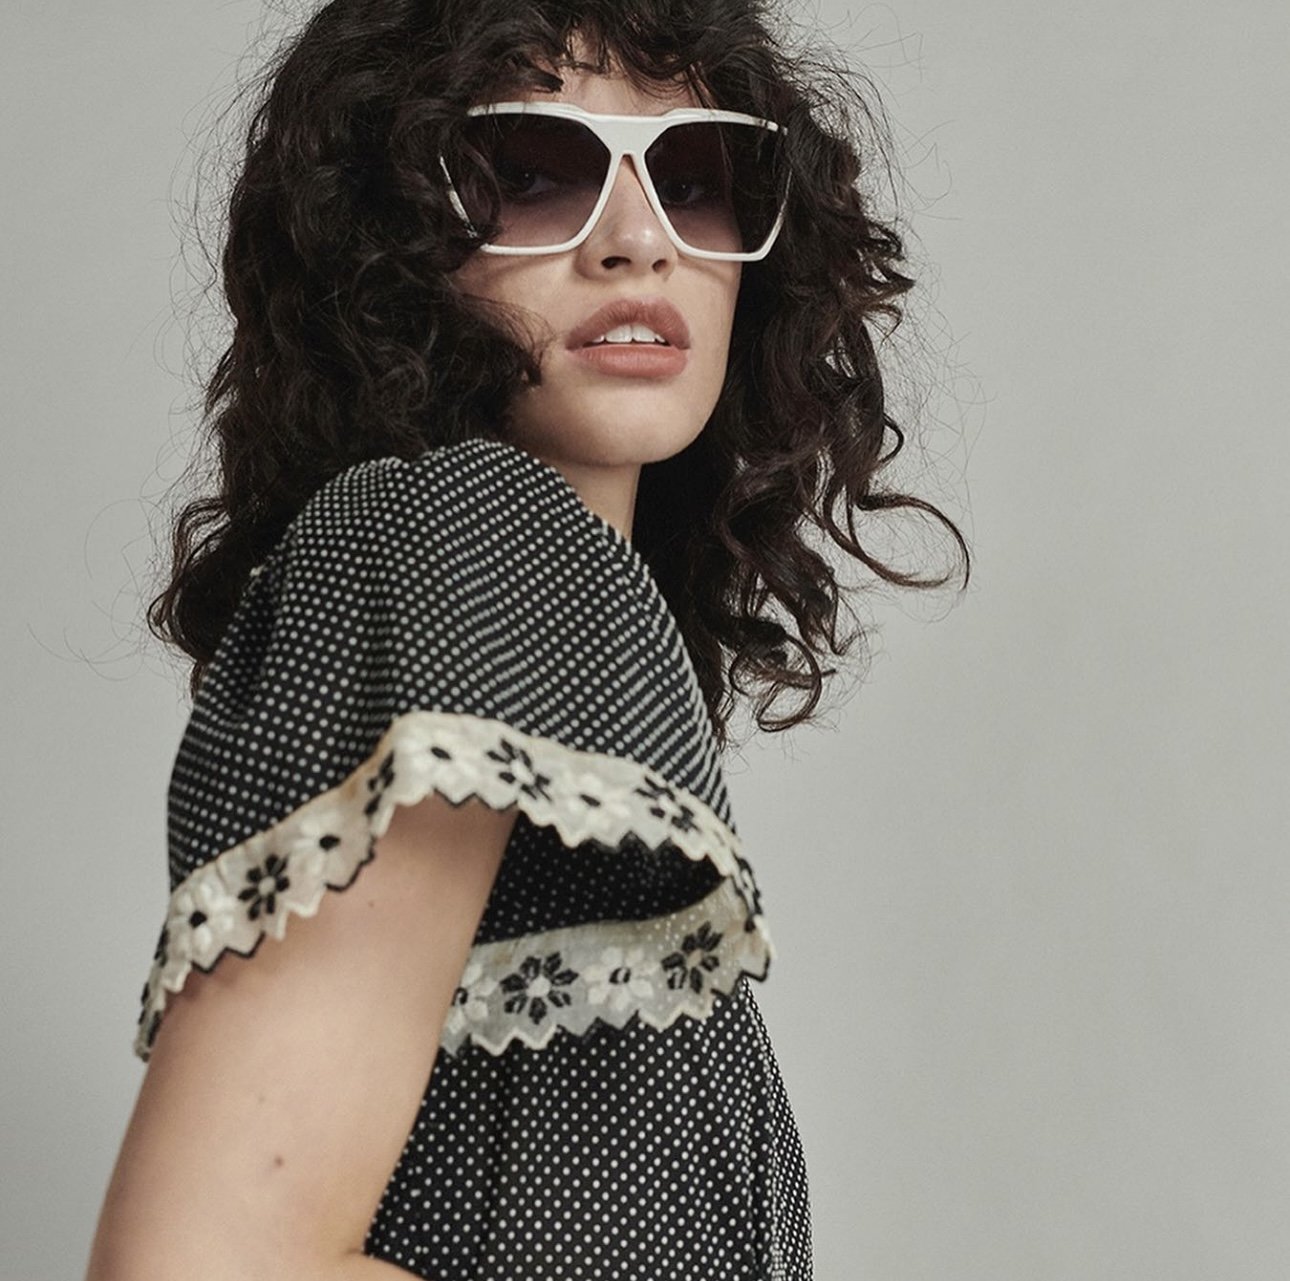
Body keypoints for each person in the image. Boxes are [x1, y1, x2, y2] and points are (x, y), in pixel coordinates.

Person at [86, 3, 969, 1278]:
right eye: (533, 172)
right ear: (387, 239)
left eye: (696, 177)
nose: (636, 246)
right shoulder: (460, 534)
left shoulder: (553, 611)